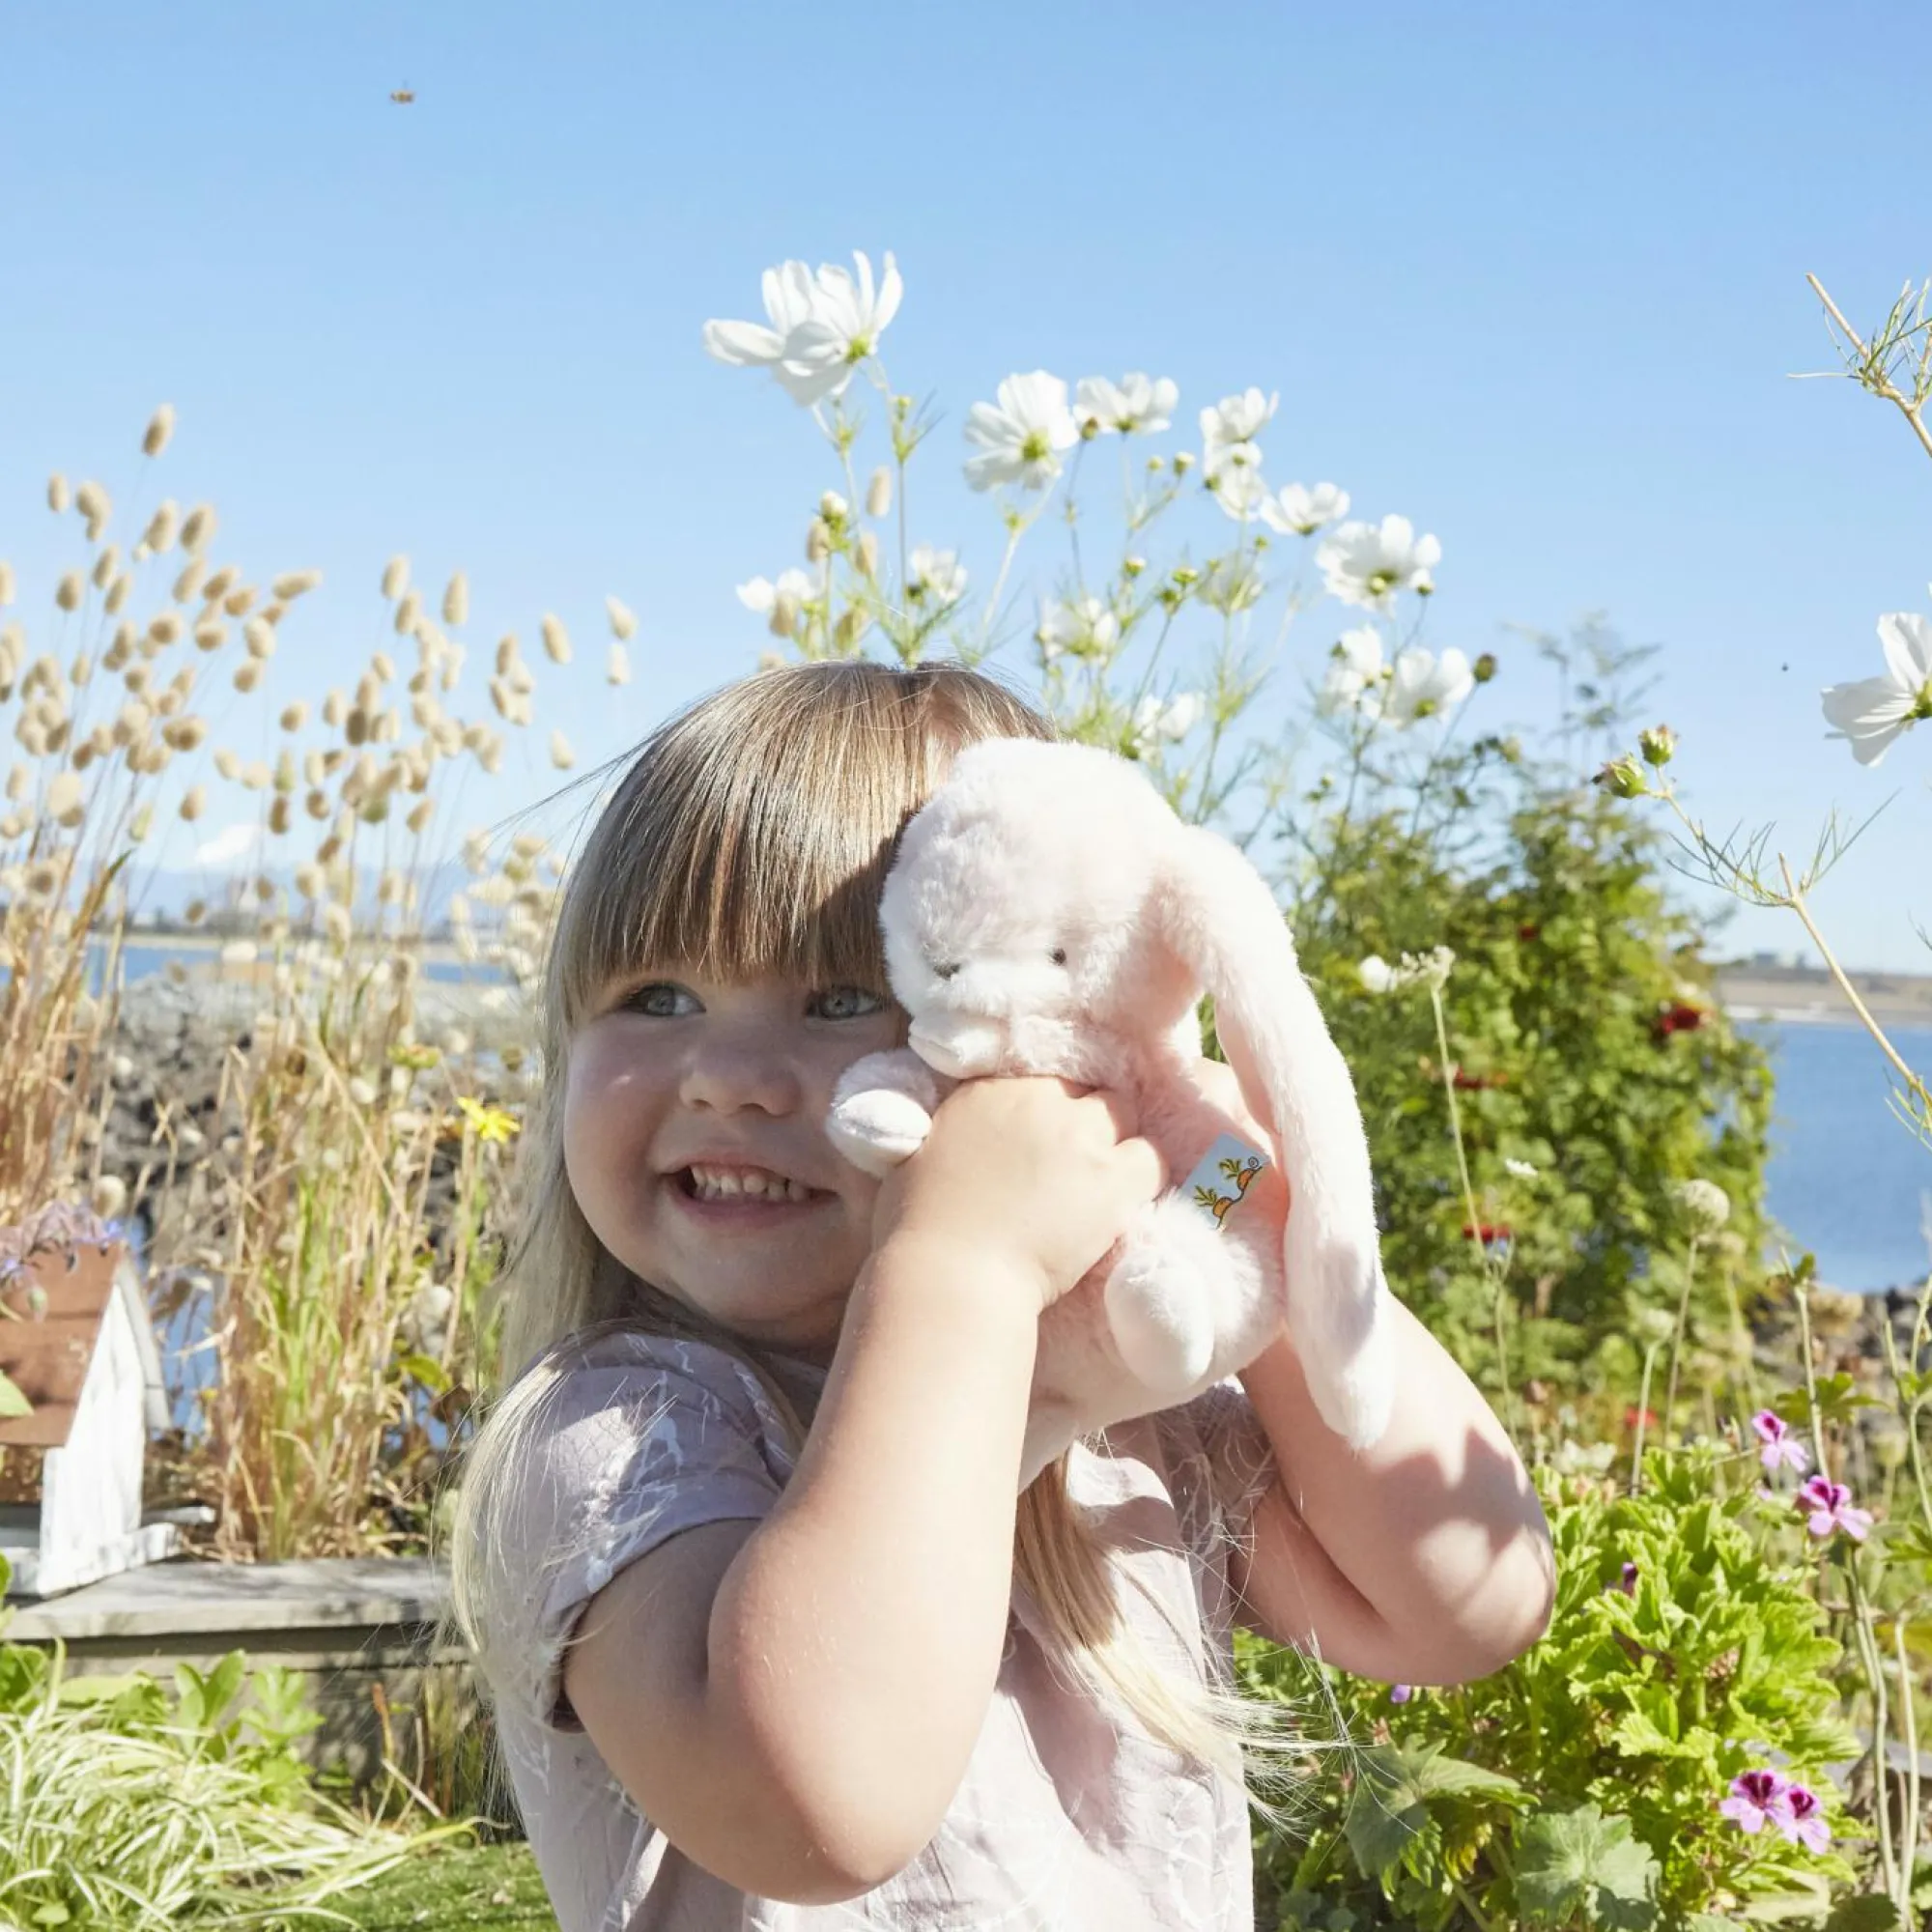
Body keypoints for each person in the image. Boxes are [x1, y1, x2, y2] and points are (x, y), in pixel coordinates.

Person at [443, 659, 1555, 1931]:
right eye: (659, 996)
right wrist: (957, 1267)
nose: (730, 1075)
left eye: (849, 995)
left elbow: (1467, 1598)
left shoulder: (1126, 1419)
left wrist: (1235, 1193)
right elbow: (824, 1806)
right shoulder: (621, 1440)